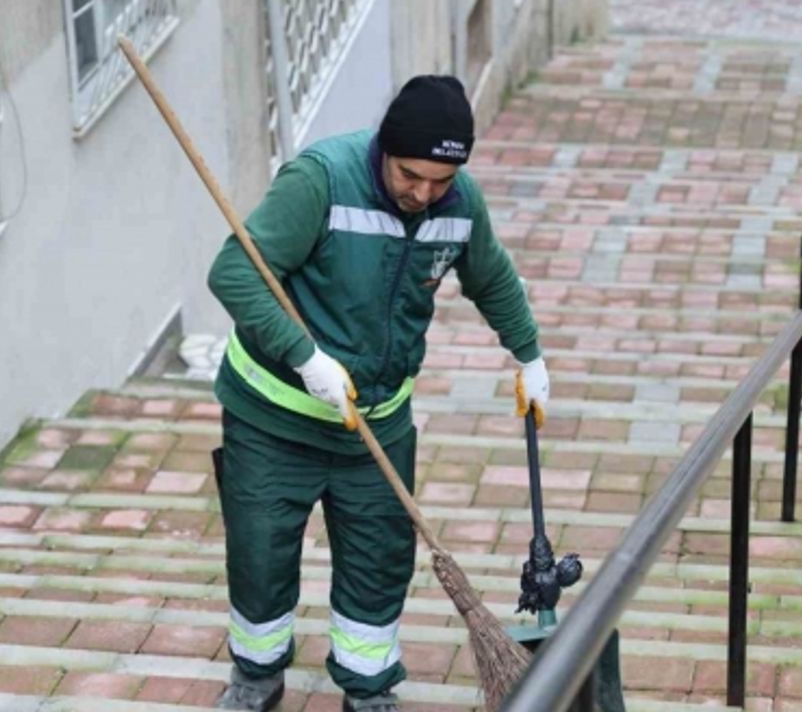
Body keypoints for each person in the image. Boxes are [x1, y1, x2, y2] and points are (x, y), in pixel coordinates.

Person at [206, 75, 550, 712]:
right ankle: (256, 673)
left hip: (377, 425)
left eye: (440, 181)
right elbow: (233, 272)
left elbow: (491, 274)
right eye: (410, 175)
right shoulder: (321, 181)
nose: (423, 193)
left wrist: (527, 352)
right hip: (272, 419)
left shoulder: (458, 204)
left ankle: (367, 687)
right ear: (384, 150)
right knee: (260, 553)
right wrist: (304, 356)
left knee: (379, 559)